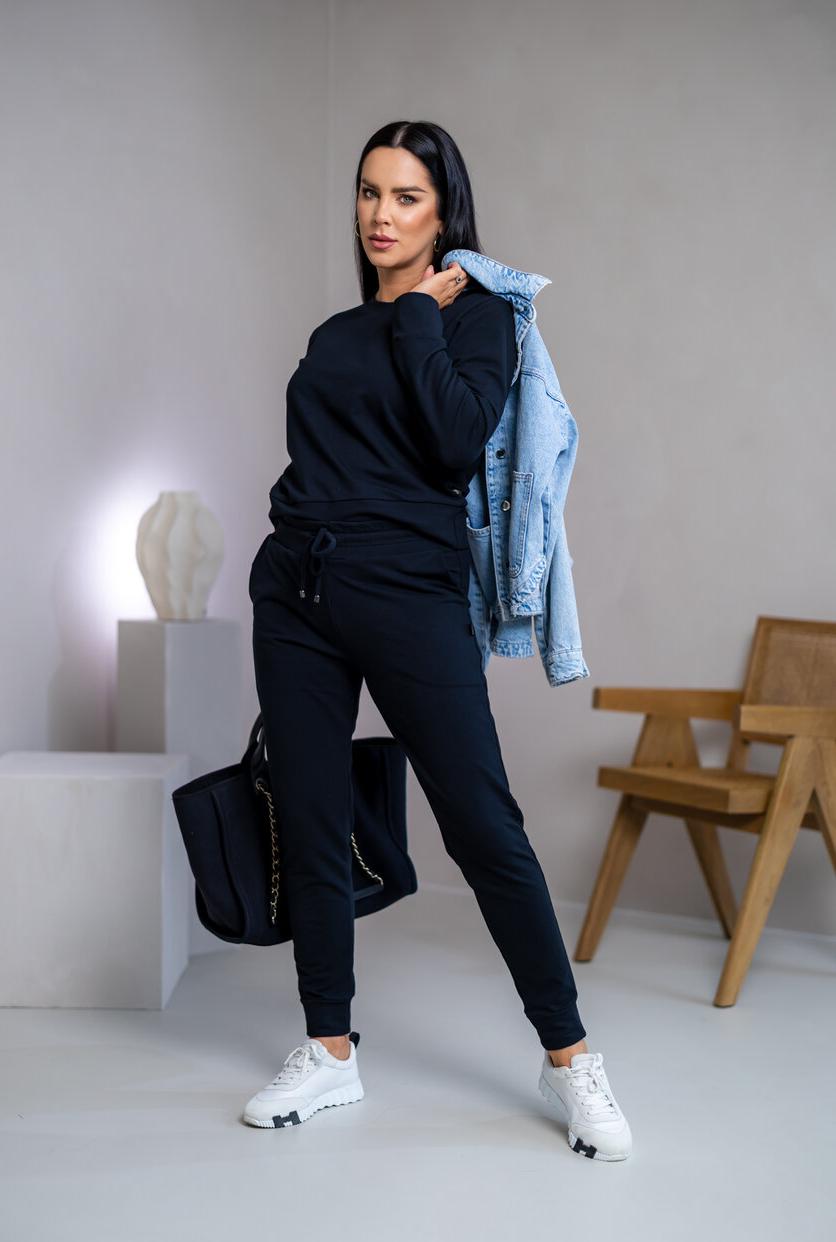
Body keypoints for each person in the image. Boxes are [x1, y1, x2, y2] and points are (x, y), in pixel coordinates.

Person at [244, 120, 632, 1160]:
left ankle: (569, 1058)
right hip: (296, 587)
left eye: (406, 196)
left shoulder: (478, 319)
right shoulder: (333, 332)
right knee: (312, 812)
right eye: (369, 192)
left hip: (408, 590)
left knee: (481, 823)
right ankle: (329, 1048)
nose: (380, 215)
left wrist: (418, 312)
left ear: (442, 211)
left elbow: (457, 441)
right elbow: (325, 452)